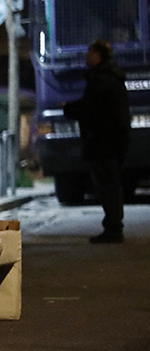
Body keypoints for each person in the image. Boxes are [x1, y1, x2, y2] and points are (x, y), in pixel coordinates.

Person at [63, 39, 131, 243]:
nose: (87, 56)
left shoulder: (101, 80)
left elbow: (90, 108)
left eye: (90, 52)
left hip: (103, 142)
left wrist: (69, 108)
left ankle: (113, 229)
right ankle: (114, 227)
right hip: (114, 140)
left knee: (107, 186)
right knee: (111, 184)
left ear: (98, 55)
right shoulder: (111, 77)